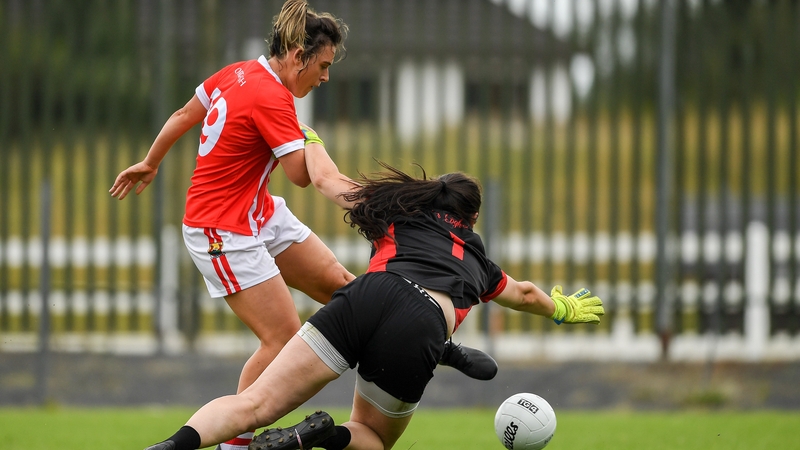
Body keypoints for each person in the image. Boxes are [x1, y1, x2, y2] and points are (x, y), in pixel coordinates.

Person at [110, 2, 494, 449]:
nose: (326, 76)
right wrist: (309, 136)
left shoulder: (236, 72)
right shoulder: (272, 97)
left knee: (344, 287)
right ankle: (235, 443)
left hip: (257, 211)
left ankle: (435, 344)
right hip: (221, 229)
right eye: (324, 65)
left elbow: (181, 115)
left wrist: (150, 162)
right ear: (298, 54)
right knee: (281, 339)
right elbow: (300, 175)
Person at [142, 163, 605, 450]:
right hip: (421, 324)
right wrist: (560, 309)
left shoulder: (397, 211)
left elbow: (327, 180)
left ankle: (169, 446)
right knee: (374, 436)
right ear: (473, 219)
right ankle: (324, 436)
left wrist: (307, 138)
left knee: (255, 404)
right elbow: (523, 294)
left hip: (367, 296)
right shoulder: (480, 262)